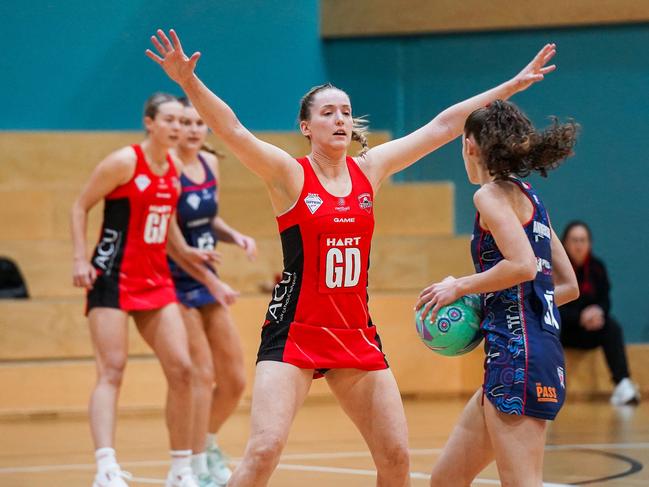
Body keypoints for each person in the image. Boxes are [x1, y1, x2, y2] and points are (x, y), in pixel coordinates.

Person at [147, 29, 557, 486]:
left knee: (396, 457)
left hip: (353, 332)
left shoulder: (370, 169)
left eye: (345, 111)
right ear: (307, 127)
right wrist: (189, 83)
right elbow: (232, 128)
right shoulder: (289, 174)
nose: (340, 119)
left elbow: (443, 125)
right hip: (295, 331)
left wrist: (509, 87)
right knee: (264, 450)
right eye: (327, 113)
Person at [71, 93, 234, 487]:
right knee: (112, 370)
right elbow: (80, 206)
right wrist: (80, 260)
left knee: (182, 370)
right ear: (150, 122)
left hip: (155, 279)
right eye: (170, 121)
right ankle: (106, 467)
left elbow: (166, 228)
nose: (178, 128)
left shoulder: (174, 167)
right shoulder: (125, 162)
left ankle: (181, 470)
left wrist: (190, 256)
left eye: (182, 121)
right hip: (112, 276)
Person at [416, 100, 580, 486]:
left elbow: (522, 265)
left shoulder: (488, 196)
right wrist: (499, 304)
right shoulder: (531, 199)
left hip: (518, 359)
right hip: (521, 353)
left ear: (470, 145)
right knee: (445, 481)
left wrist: (460, 285)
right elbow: (568, 286)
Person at [170, 98, 256, 486]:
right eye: (184, 122)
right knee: (200, 375)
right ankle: (191, 462)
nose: (191, 129)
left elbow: (208, 216)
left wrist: (234, 235)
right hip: (174, 279)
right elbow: (172, 237)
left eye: (198, 123)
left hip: (206, 277)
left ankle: (205, 442)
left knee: (235, 378)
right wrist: (210, 278)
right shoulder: (167, 169)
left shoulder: (210, 163)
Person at [559, 221, 640, 406]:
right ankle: (547, 384)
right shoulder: (555, 269)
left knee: (612, 327)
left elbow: (605, 299)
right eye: (574, 240)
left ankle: (622, 384)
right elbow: (550, 304)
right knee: (547, 326)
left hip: (589, 330)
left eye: (583, 240)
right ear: (565, 243)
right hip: (564, 330)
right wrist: (579, 317)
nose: (579, 245)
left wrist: (598, 311)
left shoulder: (597, 267)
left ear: (589, 244)